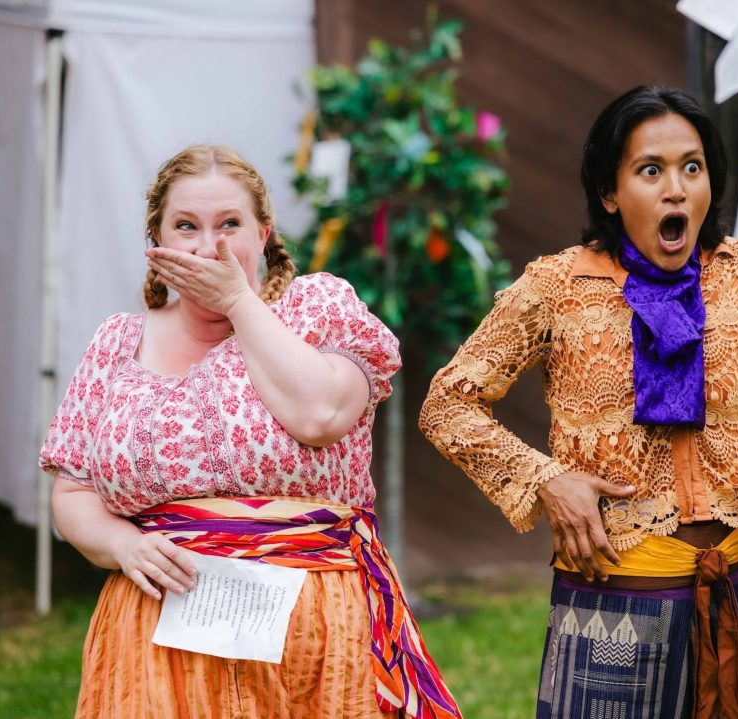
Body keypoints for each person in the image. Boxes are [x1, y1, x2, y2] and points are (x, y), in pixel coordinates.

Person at [420, 86, 738, 718]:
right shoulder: (557, 288)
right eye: (650, 170)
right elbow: (448, 403)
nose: (676, 190)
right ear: (610, 191)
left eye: (693, 167)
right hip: (610, 609)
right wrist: (547, 481)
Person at [42, 145, 460, 719]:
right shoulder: (116, 343)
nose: (207, 245)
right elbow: (72, 490)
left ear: (263, 234)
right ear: (156, 240)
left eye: (229, 224)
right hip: (159, 626)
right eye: (185, 226)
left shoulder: (317, 308)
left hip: (311, 623)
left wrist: (239, 300)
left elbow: (322, 416)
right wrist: (124, 545)